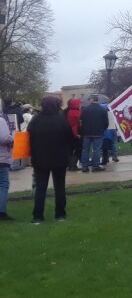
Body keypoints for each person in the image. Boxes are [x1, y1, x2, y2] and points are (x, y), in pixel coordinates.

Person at [28, 96, 74, 224]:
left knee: (40, 188)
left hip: (40, 159)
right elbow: (70, 139)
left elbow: (28, 139)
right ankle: (60, 214)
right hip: (59, 159)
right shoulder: (61, 120)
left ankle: (37, 216)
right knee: (59, 187)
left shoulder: (35, 120)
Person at [79, 95, 108, 172]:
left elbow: (81, 122)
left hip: (86, 133)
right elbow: (106, 123)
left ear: (91, 100)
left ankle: (85, 166)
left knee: (85, 150)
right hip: (98, 132)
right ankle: (95, 166)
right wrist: (102, 129)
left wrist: (82, 130)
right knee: (96, 150)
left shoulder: (84, 110)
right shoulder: (102, 110)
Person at [0, 106, 13, 220]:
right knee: (3, 184)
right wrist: (12, 137)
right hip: (1, 157)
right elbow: (4, 137)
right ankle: (1, 212)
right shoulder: (1, 120)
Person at [64, 98, 82, 170]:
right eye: (79, 104)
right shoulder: (76, 112)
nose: (80, 105)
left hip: (69, 133)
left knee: (70, 149)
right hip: (76, 133)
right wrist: (76, 134)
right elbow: (74, 124)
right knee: (78, 149)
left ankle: (70, 165)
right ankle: (73, 165)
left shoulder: (69, 111)